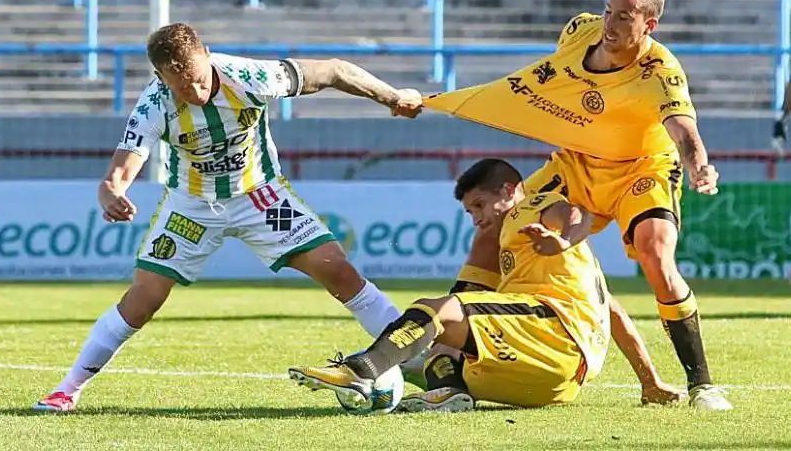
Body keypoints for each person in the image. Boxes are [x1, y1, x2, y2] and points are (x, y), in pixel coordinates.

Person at [33, 22, 424, 412]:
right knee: (143, 300)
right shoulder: (155, 103)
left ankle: (426, 363)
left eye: (200, 80)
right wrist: (112, 195)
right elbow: (115, 176)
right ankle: (67, 390)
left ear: (207, 56)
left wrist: (391, 96)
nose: (196, 92)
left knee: (339, 272)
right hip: (192, 207)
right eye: (182, 87)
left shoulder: (249, 76)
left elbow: (335, 71)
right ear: (161, 77)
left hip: (261, 196)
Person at [424, 0, 732, 410]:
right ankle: (445, 343)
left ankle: (702, 384)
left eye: (624, 17)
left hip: (640, 169)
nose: (610, 25)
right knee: (500, 219)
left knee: (655, 253)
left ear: (650, 24)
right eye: (609, 11)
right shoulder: (578, 33)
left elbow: (684, 132)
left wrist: (700, 166)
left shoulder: (661, 71)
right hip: (578, 162)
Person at [289, 158, 681, 411]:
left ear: (509, 192)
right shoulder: (528, 257)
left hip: (553, 334)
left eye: (479, 205)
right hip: (554, 385)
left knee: (435, 309)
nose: (475, 217)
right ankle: (446, 390)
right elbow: (612, 312)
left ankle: (362, 370)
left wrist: (565, 237)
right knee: (439, 332)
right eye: (468, 211)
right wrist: (650, 382)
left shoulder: (530, 208)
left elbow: (575, 213)